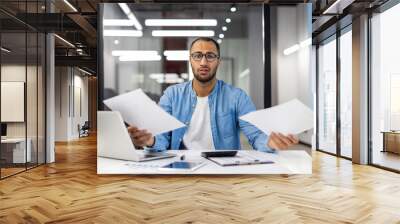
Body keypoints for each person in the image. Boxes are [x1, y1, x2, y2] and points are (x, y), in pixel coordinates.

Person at [128, 37, 298, 152]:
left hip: (223, 169)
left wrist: (269, 142)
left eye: (210, 56)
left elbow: (255, 135)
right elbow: (161, 138)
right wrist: (149, 141)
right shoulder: (172, 95)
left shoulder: (237, 96)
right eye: (197, 56)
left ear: (218, 61)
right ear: (190, 60)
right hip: (181, 166)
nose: (203, 62)